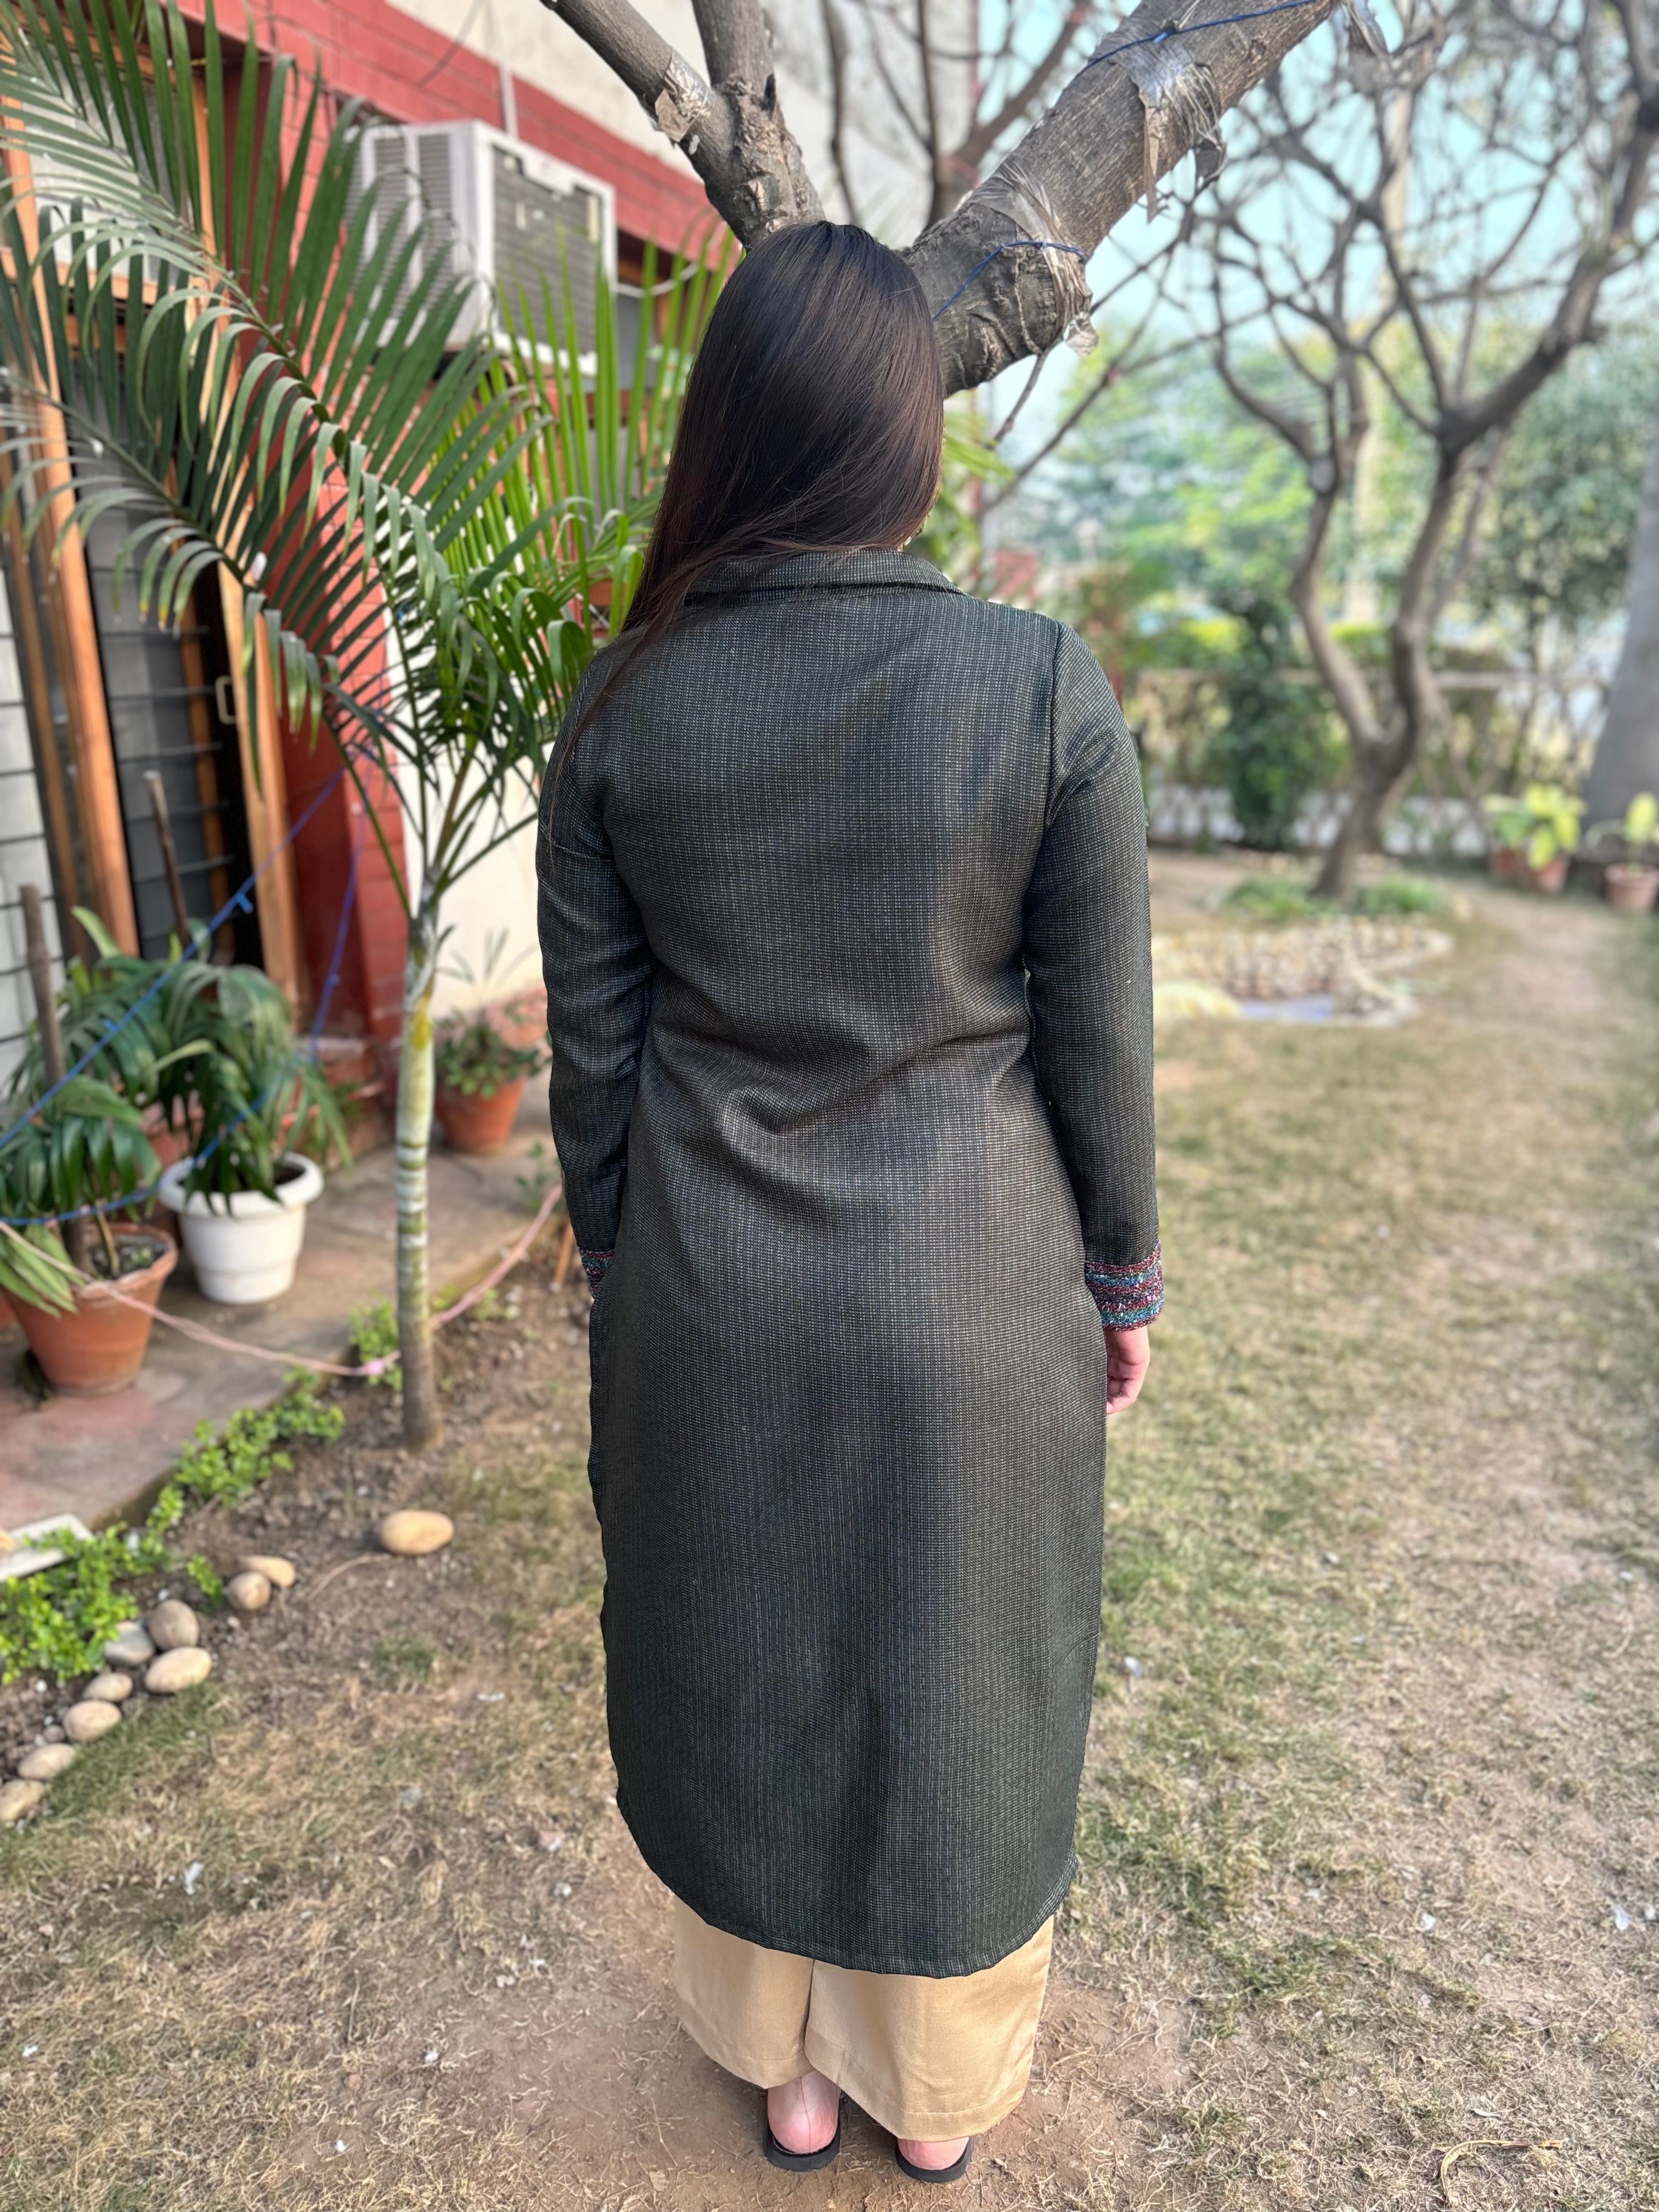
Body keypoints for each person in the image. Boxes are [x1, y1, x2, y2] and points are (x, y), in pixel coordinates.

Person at [538, 221, 1160, 2186]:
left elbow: (596, 1070)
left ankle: (785, 2069)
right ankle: (932, 2093)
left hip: (710, 1292)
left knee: (742, 1654)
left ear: (727, 427)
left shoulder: (622, 709)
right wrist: (1122, 1278)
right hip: (974, 1290)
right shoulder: (1037, 689)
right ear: (908, 444)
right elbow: (1099, 1044)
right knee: (957, 1672)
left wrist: (634, 1278)